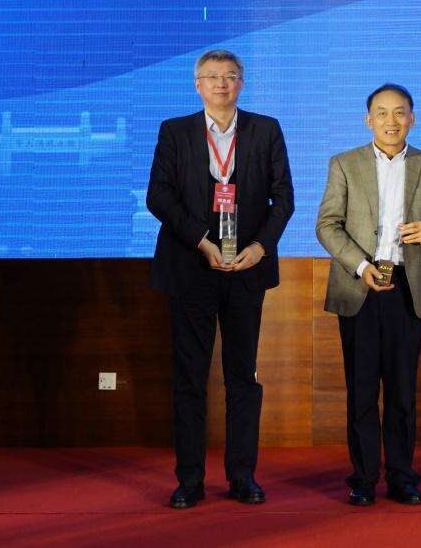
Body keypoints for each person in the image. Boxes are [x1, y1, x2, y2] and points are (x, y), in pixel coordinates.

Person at [146, 50, 294, 509]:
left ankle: (242, 477)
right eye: (211, 77)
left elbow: (284, 198)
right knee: (190, 377)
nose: (221, 84)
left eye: (230, 76)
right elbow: (158, 196)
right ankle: (189, 480)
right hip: (191, 267)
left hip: (247, 268)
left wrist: (260, 247)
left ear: (241, 83)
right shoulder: (175, 131)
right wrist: (202, 241)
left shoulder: (266, 129)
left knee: (242, 376)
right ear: (197, 85)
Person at [315, 83, 421, 506]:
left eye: (399, 113)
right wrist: (361, 266)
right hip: (359, 286)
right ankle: (362, 478)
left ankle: (402, 477)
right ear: (368, 119)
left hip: (407, 288)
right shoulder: (344, 163)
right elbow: (327, 225)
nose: (391, 121)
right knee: (361, 390)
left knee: (402, 391)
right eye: (382, 113)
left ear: (412, 118)